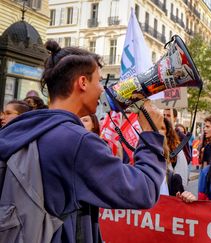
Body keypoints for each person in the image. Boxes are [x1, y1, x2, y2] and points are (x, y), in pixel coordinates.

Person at [0, 40, 166, 243]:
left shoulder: (23, 127)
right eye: (99, 81)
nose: (102, 90)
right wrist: (150, 134)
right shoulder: (77, 141)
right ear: (83, 83)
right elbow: (143, 191)